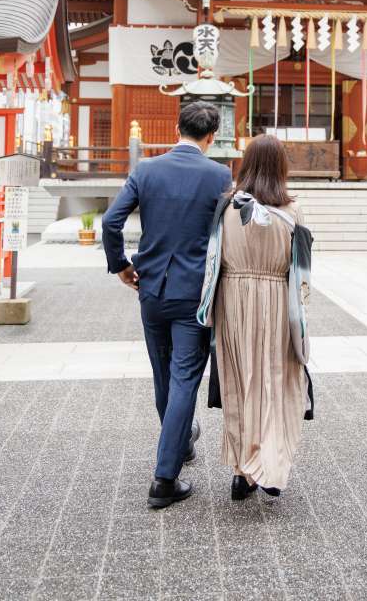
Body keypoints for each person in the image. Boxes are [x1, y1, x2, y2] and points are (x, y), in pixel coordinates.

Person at [102, 101, 231, 509]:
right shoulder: (219, 175)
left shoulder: (146, 170)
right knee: (184, 381)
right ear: (211, 136)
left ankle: (179, 443)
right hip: (194, 296)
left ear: (177, 128)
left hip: (152, 290)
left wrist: (121, 265)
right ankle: (163, 478)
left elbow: (110, 222)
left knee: (164, 376)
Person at [212, 134, 309, 501]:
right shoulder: (293, 210)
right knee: (275, 381)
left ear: (245, 164)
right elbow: (301, 269)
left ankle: (243, 470)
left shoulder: (225, 208)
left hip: (234, 301)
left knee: (241, 381)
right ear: (281, 167)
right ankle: (268, 465)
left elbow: (215, 260)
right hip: (277, 300)